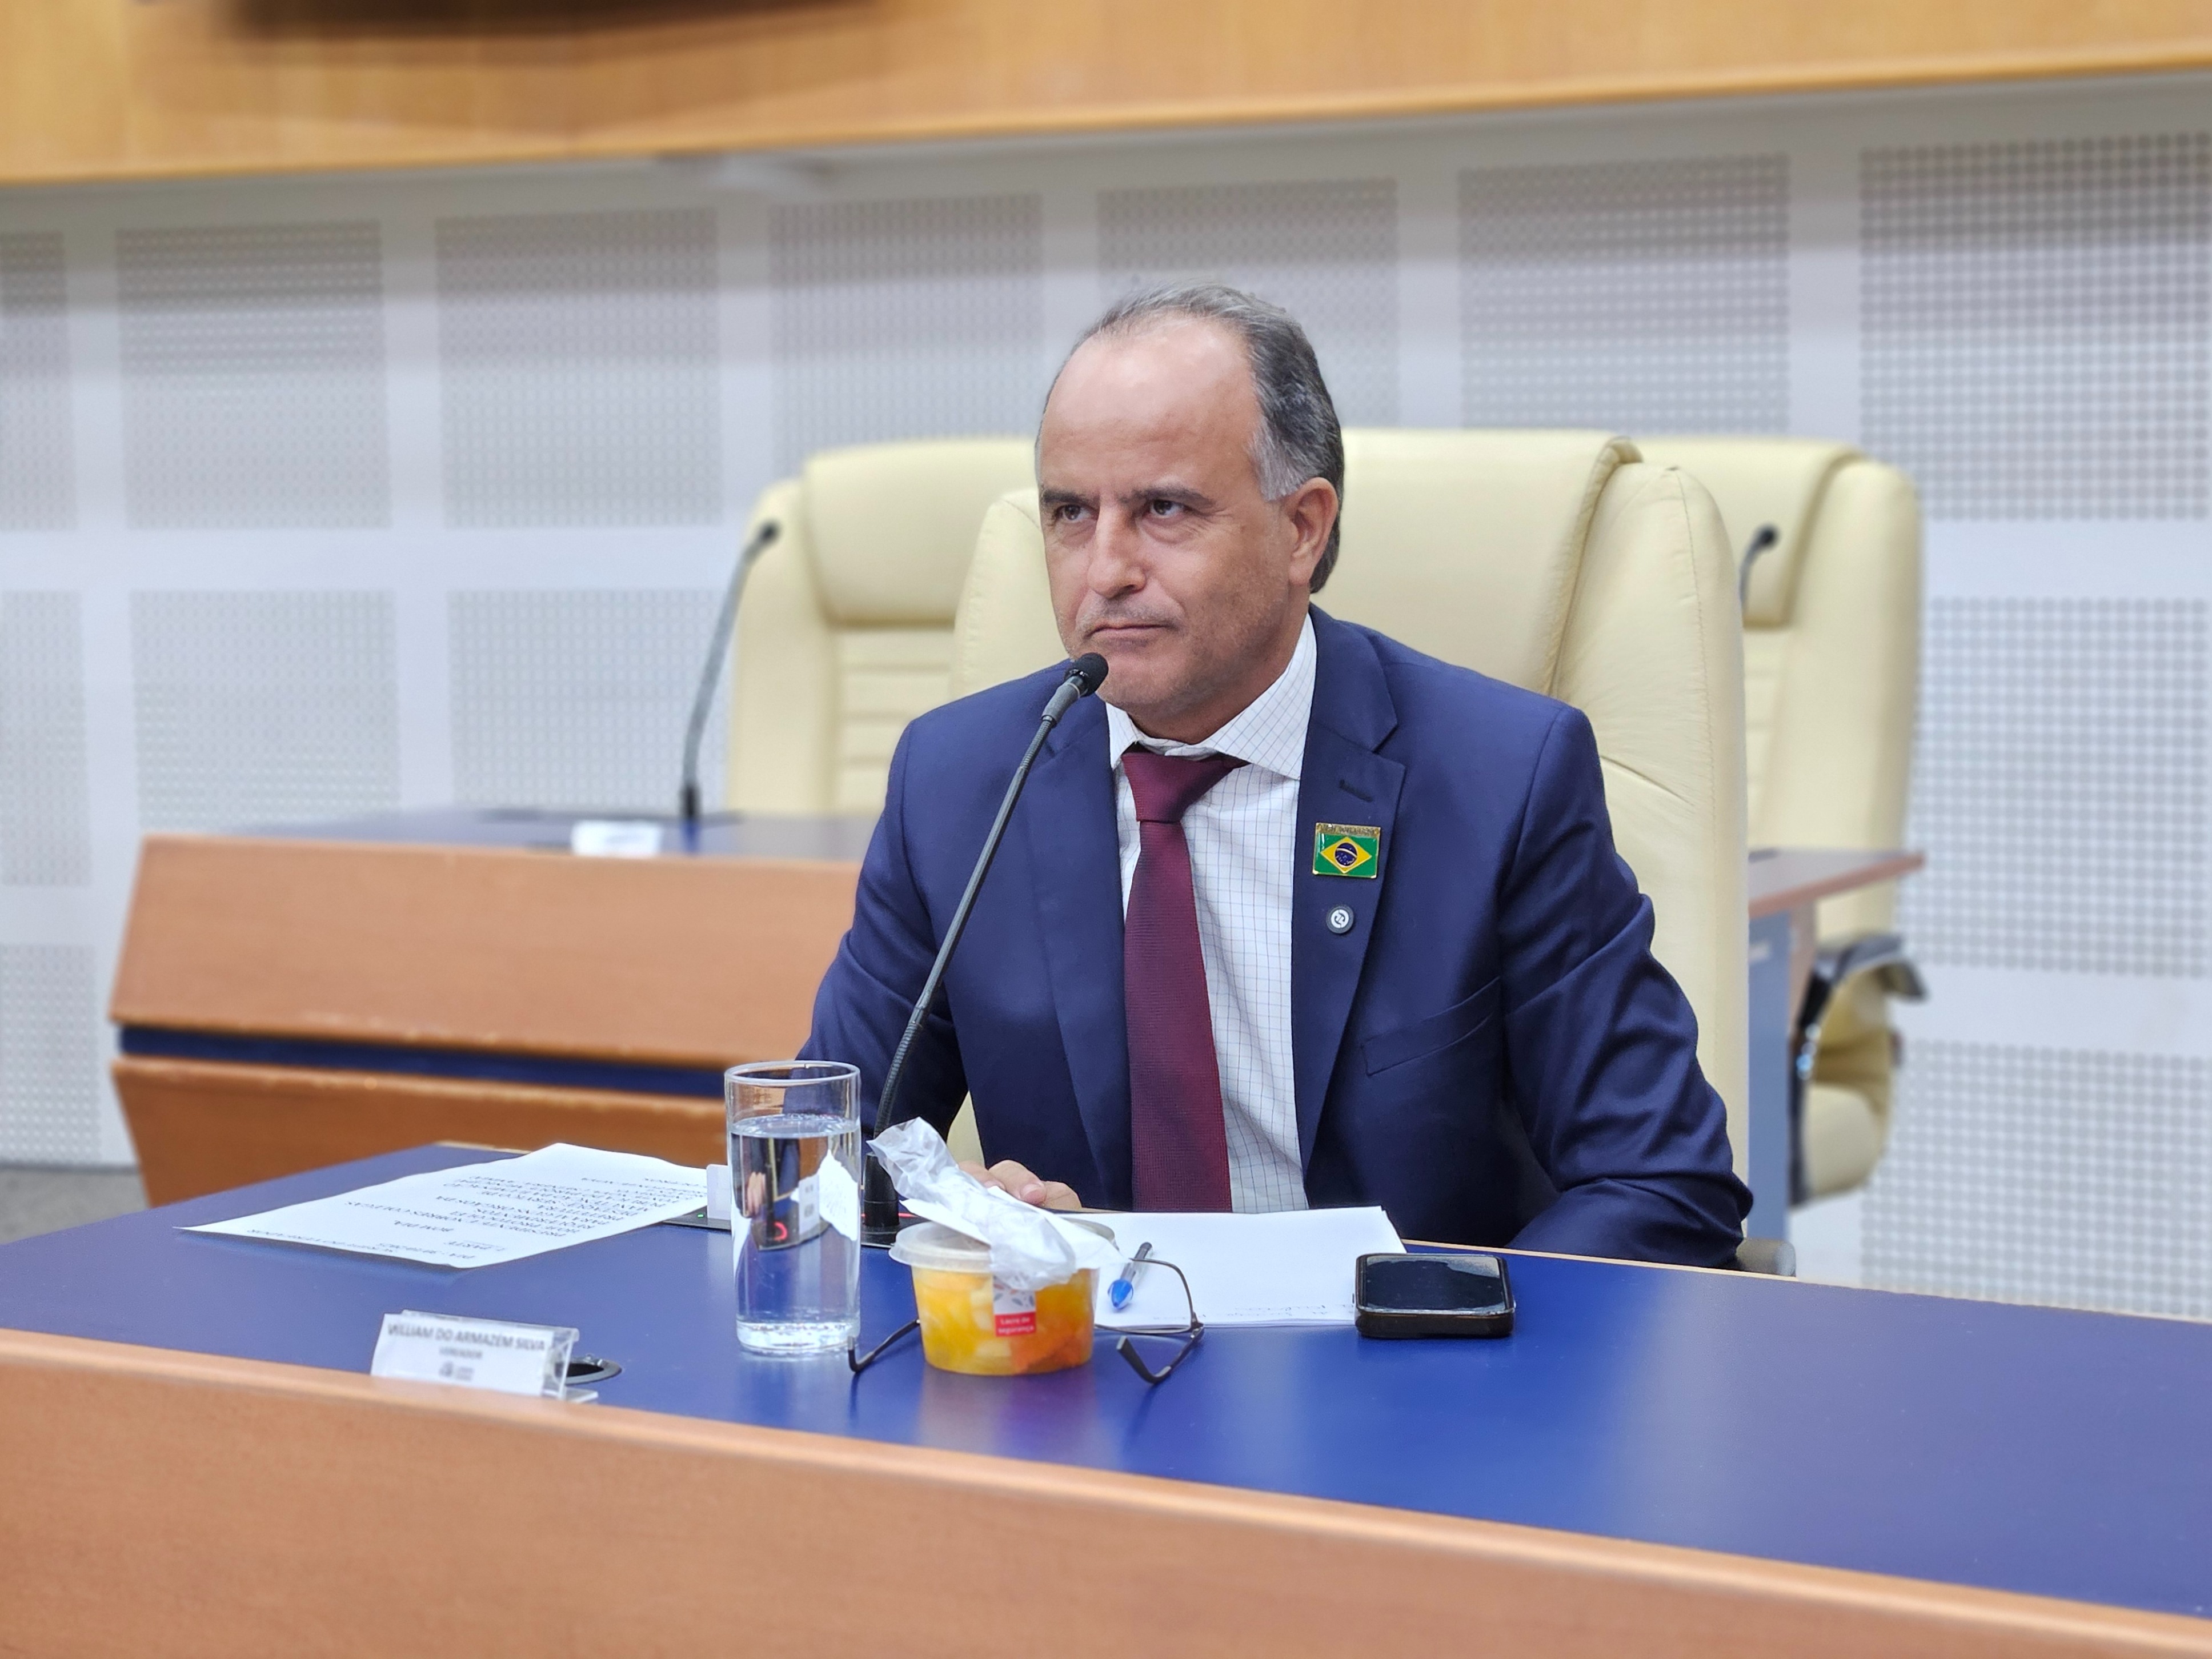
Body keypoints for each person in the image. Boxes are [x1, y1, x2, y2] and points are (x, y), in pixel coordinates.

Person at [802, 282, 1749, 1264]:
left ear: (1302, 529)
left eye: (1163, 509)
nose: (1106, 569)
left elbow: (1662, 1184)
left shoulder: (1501, 780)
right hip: (1087, 1348)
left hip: (1401, 1350)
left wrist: (1437, 1324)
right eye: (1071, 513)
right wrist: (956, 1214)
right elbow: (823, 1163)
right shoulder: (958, 783)